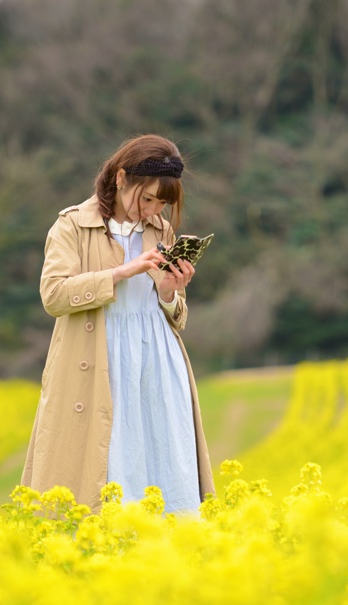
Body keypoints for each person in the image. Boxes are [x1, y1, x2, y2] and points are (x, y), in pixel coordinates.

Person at [21, 134, 214, 514]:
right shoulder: (72, 225)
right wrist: (122, 272)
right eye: (147, 199)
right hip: (99, 363)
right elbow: (53, 295)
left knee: (164, 460)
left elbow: (176, 315)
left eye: (162, 202)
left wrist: (170, 292)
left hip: (158, 362)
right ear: (121, 178)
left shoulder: (161, 230)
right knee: (102, 472)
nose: (152, 210)